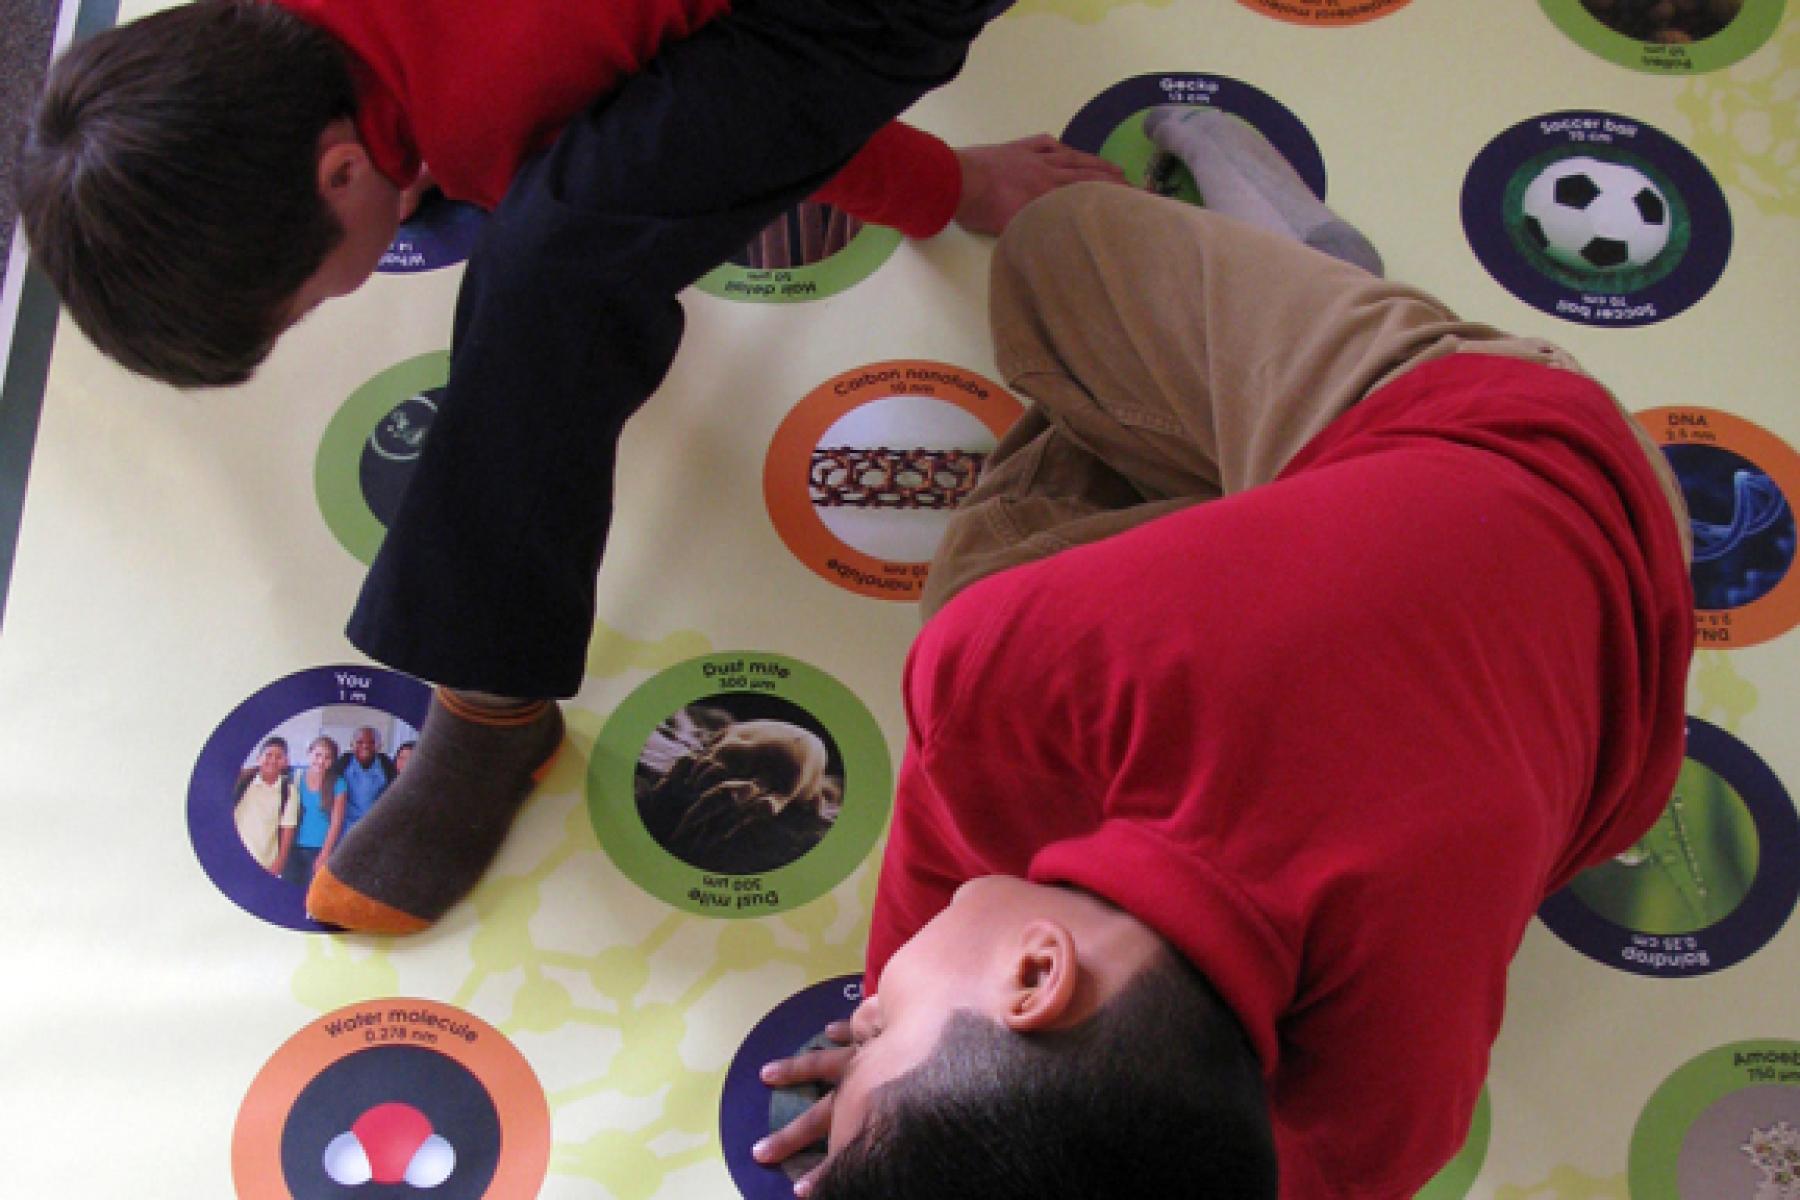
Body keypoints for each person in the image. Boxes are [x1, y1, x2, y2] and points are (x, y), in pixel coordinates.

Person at [19, 0, 1120, 934]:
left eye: (302, 302)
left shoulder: (504, 107)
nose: (319, 308)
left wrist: (944, 186)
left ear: (343, 169)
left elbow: (765, 109)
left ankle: (496, 708)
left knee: (550, 269)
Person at [752, 111, 1696, 1199]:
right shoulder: (1022, 669)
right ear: (1034, 972)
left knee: (1001, 576)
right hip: (1519, 439)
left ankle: (1239, 410)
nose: (860, 1018)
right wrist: (905, 1054)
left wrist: (932, 1120)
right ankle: (1320, 273)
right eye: (876, 1026)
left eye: (860, 1029)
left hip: (1623, 653)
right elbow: (946, 832)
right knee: (1057, 254)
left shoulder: (1386, 1115)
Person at [283, 735, 350, 887]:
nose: (321, 761)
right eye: (317, 755)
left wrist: (324, 854)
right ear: (309, 754)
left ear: (333, 761)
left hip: (319, 849)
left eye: (327, 757)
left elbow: (336, 822)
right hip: (293, 848)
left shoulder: (338, 783)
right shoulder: (295, 778)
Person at [232, 736, 297, 875]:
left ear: (285, 762)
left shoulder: (289, 791)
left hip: (265, 865)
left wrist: (279, 863)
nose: (272, 760)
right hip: (232, 859)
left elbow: (288, 829)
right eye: (268, 755)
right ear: (258, 758)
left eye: (279, 757)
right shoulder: (242, 781)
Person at [332, 725, 397, 838]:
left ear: (379, 746)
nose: (366, 746)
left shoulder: (387, 767)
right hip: (345, 832)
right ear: (351, 745)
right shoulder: (342, 765)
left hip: (376, 830)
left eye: (372, 742)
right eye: (360, 742)